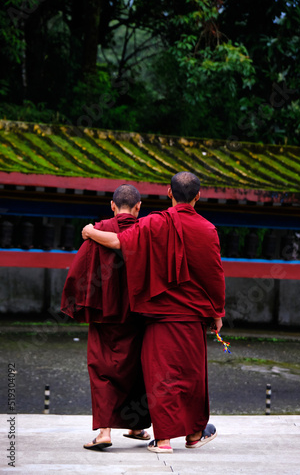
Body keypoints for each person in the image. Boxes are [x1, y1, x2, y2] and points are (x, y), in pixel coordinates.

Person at [82, 172, 225, 453]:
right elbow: (215, 276)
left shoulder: (155, 222)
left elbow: (120, 242)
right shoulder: (208, 230)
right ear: (198, 197)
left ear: (168, 193)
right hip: (193, 318)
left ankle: (163, 441)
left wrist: (89, 232)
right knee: (193, 377)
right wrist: (217, 313)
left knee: (162, 378)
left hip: (159, 318)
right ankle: (194, 435)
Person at [61, 184, 151, 450]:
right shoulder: (147, 233)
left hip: (105, 318)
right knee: (137, 369)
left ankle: (105, 433)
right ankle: (136, 425)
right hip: (138, 317)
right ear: (138, 207)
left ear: (112, 206)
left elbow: (77, 274)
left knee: (102, 371)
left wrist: (79, 306)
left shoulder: (97, 232)